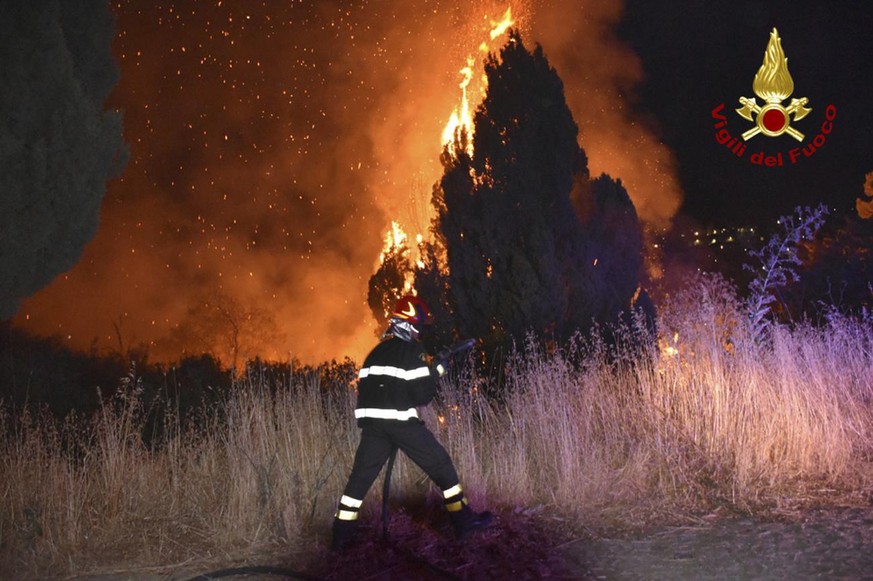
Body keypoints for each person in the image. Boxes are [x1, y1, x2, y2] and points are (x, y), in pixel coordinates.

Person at [331, 295, 492, 551]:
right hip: (400, 424)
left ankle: (339, 538)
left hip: (373, 427)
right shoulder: (413, 351)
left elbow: (373, 390)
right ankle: (463, 521)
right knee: (441, 465)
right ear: (408, 324)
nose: (420, 332)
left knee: (359, 480)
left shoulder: (375, 353)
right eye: (418, 326)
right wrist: (436, 371)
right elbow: (422, 396)